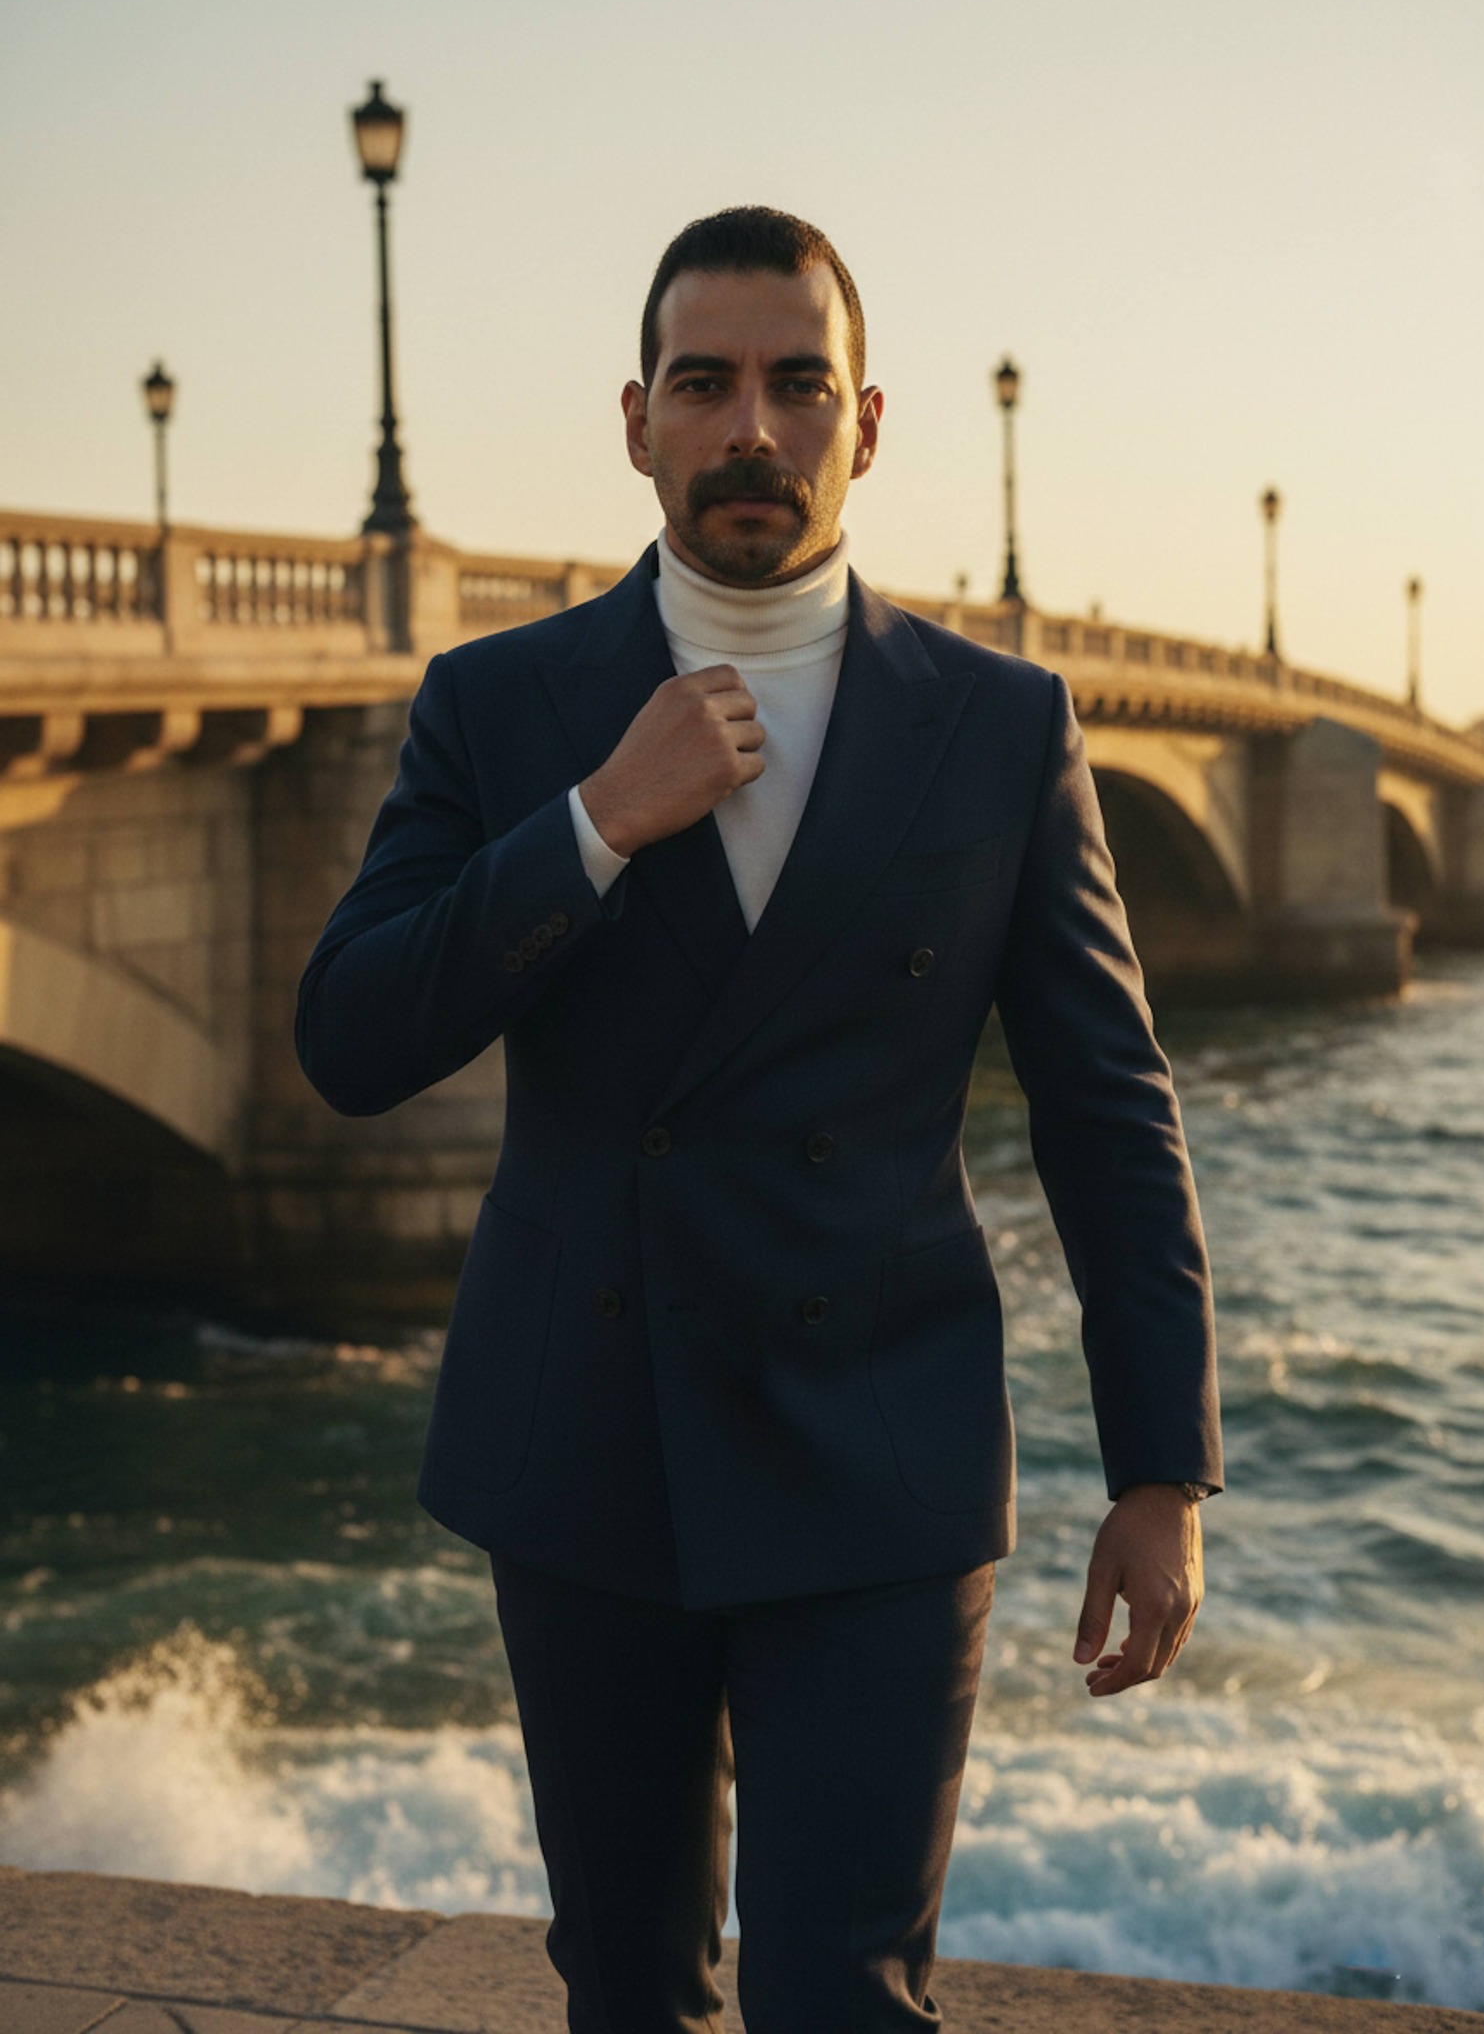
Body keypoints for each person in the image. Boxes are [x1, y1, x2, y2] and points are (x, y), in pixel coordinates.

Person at [296, 205, 1224, 2034]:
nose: (753, 429)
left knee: (846, 2001)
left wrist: (1161, 1471)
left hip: (878, 1446)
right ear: (636, 421)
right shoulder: (503, 704)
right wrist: (592, 822)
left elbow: (1108, 1107)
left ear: (864, 426)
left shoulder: (999, 726)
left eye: (797, 386)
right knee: (627, 1991)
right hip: (584, 1440)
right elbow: (348, 1036)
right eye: (706, 384)